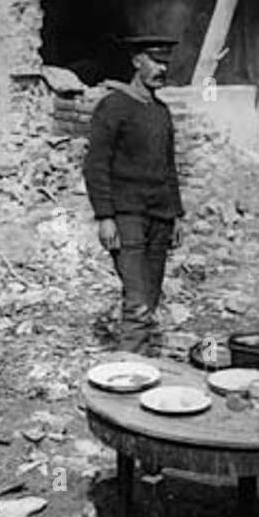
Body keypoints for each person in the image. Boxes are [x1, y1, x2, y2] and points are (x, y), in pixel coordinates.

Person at [82, 35, 184, 352]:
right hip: (127, 216)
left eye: (166, 62)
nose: (161, 68)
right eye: (155, 61)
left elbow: (169, 167)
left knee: (150, 297)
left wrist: (177, 215)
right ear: (136, 61)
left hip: (161, 217)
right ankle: (130, 373)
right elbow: (95, 165)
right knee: (137, 299)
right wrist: (105, 217)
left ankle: (145, 369)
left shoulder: (161, 112)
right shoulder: (114, 107)